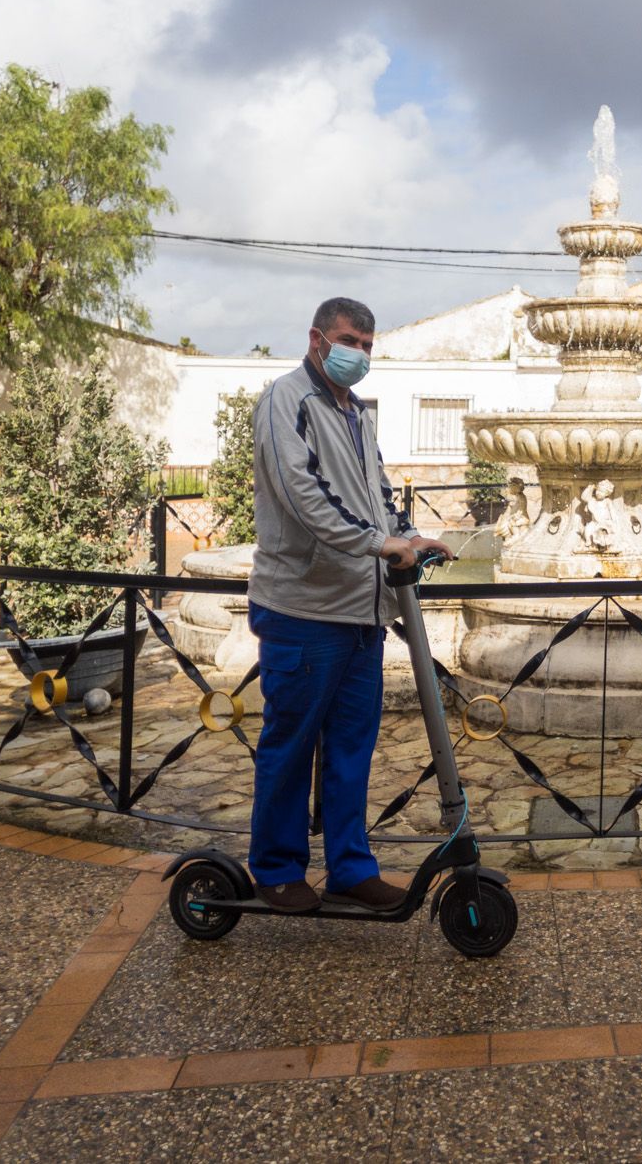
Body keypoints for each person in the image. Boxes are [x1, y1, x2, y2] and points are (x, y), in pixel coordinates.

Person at [247, 297, 452, 911]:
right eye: (348, 342)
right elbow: (301, 495)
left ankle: (350, 868)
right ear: (317, 339)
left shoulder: (356, 412)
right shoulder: (288, 400)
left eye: (367, 345)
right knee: (291, 745)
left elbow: (377, 495)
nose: (358, 354)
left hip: (363, 614)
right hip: (304, 610)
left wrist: (409, 536)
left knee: (351, 749)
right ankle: (277, 870)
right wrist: (377, 543)